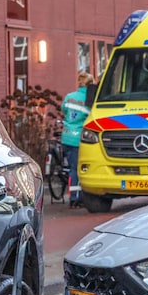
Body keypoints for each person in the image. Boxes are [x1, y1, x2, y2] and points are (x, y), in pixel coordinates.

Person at [61, 72, 94, 208]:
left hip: (66, 136)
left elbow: (64, 110)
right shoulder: (89, 99)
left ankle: (75, 196)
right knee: (77, 169)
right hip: (78, 139)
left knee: (71, 168)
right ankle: (75, 198)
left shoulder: (69, 97)